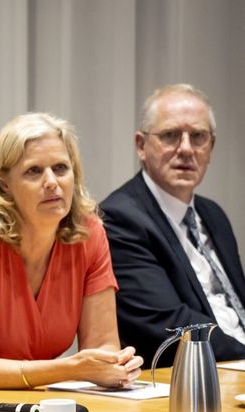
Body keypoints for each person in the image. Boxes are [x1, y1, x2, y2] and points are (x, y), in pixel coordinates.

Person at [0, 113, 144, 389]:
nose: (51, 181)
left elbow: (102, 346)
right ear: (5, 183)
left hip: (36, 406)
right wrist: (70, 369)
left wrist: (115, 365)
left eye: (61, 168)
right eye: (34, 171)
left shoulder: (89, 235)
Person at [101, 84, 245, 365]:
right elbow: (168, 324)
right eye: (170, 136)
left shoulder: (213, 214)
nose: (186, 149)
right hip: (190, 378)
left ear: (211, 147)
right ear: (141, 146)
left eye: (198, 137)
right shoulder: (120, 218)